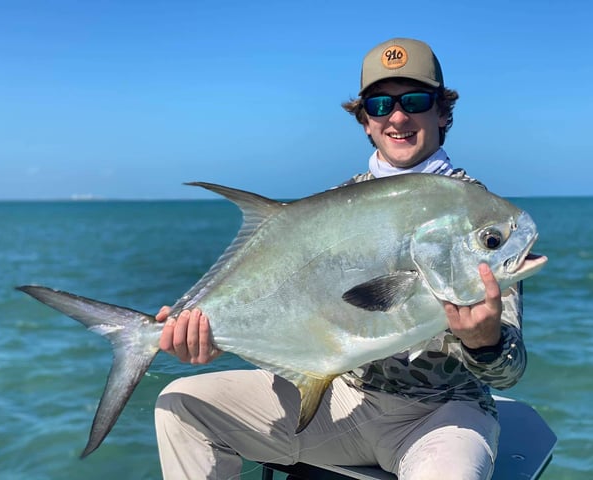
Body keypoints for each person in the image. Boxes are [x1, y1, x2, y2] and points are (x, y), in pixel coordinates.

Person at [154, 38, 526, 480]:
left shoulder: (477, 216)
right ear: (365, 120)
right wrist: (215, 332)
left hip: (441, 417)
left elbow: (509, 373)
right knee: (181, 406)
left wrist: (483, 341)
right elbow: (300, 315)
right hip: (339, 400)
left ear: (443, 112)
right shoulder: (329, 208)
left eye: (415, 100)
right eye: (381, 104)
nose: (399, 116)